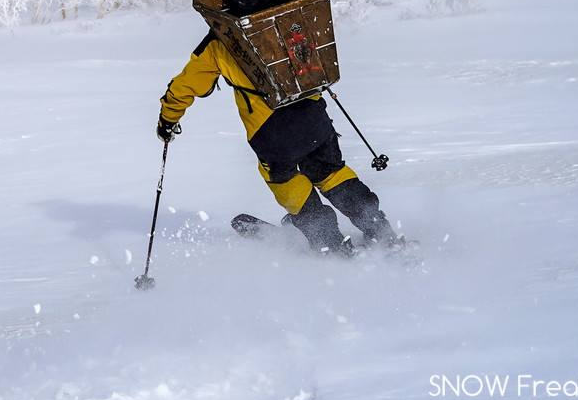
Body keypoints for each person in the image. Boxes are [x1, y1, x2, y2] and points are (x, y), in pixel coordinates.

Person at [157, 24, 399, 255]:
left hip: (269, 130)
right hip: (313, 117)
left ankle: (328, 242)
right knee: (331, 172)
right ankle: (377, 227)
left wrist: (167, 120)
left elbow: (185, 86)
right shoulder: (290, 18)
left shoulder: (221, 38)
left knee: (286, 181)